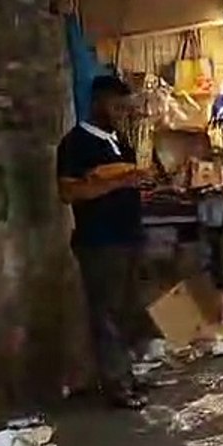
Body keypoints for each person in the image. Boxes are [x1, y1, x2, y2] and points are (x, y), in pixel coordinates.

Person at [56, 75, 154, 410]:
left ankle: (127, 373)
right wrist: (118, 182)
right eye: (116, 107)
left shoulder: (121, 144)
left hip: (129, 238)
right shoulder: (76, 144)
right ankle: (116, 384)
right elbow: (68, 191)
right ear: (97, 103)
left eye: (124, 108)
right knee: (106, 314)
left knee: (128, 310)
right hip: (99, 241)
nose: (120, 114)